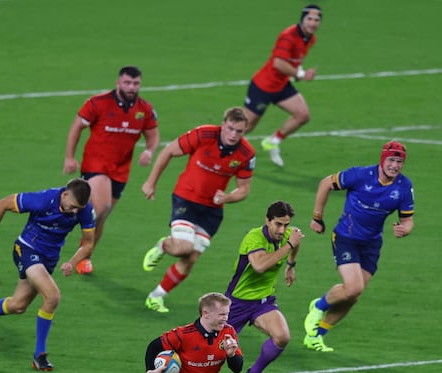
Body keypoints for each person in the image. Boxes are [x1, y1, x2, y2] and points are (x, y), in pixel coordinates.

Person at [0, 178, 95, 370]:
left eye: (79, 208)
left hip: (49, 259)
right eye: (73, 206)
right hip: (27, 249)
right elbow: (2, 204)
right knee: (53, 296)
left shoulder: (84, 209)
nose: (75, 211)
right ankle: (39, 355)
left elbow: (88, 243)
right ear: (65, 194)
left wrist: (72, 262)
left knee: (18, 305)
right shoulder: (43, 200)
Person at [141, 107, 255, 313]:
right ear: (223, 124)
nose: (233, 135)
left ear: (245, 130)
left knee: (190, 257)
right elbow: (168, 151)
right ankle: (164, 245)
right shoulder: (203, 134)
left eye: (239, 131)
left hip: (212, 211)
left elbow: (245, 189)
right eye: (230, 128)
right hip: (186, 198)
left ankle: (156, 296)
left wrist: (228, 197)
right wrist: (151, 182)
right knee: (182, 248)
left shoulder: (246, 154)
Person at [303, 141, 414, 352]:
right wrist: (317, 217)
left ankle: (316, 336)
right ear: (383, 159)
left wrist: (405, 229)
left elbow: (408, 220)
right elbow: (326, 183)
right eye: (391, 160)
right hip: (346, 237)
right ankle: (318, 306)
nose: (395, 165)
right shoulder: (360, 175)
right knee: (354, 287)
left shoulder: (404, 187)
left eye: (399, 162)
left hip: (372, 244)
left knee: (353, 295)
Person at [63, 65, 159, 275]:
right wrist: (70, 157)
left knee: (102, 216)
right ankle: (77, 246)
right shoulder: (98, 103)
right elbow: (76, 127)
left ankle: (85, 254)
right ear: (118, 82)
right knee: (102, 205)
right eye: (127, 82)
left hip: (121, 170)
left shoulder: (145, 109)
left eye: (135, 83)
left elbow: (153, 135)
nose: (131, 87)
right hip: (95, 166)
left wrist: (149, 152)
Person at [225, 201, 303, 373]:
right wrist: (289, 246)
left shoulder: (289, 236)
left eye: (286, 225)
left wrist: (291, 265)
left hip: (263, 301)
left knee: (282, 336)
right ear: (267, 220)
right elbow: (259, 265)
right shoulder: (254, 237)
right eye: (278, 224)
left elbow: (297, 240)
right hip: (237, 303)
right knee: (210, 354)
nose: (282, 229)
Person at [243, 4, 323, 168]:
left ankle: (272, 141)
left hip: (282, 85)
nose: (313, 23)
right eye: (309, 19)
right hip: (263, 86)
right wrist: (300, 74)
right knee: (246, 126)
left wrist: (299, 71)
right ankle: (214, 145)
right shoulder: (289, 36)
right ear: (302, 20)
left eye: (316, 20)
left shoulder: (310, 38)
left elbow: (293, 60)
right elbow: (278, 63)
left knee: (302, 115)